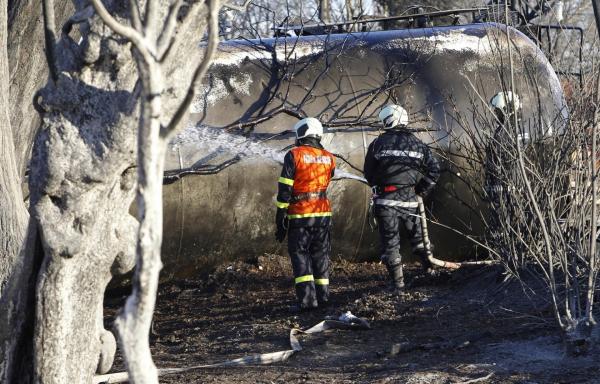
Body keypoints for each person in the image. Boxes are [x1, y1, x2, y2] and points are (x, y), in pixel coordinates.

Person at [364, 104, 440, 293]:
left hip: (386, 200)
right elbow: (434, 170)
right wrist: (421, 189)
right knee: (420, 239)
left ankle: (398, 284)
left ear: (389, 120)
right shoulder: (418, 144)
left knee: (391, 244)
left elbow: (368, 172)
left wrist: (378, 185)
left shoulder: (378, 143)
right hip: (411, 200)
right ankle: (431, 271)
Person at [274, 117, 336, 312]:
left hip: (300, 214)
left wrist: (280, 216)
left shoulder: (294, 155)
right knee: (320, 254)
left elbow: (285, 188)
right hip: (323, 213)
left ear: (303, 132)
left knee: (300, 255)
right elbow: (328, 178)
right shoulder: (329, 157)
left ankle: (308, 301)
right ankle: (323, 298)